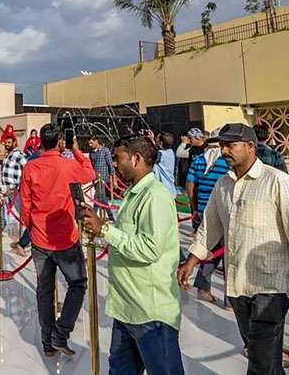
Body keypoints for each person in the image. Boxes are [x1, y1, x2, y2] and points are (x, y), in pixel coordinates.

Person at [178, 123, 289, 375]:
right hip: (238, 286)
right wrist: (191, 261)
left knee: (260, 358)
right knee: (261, 354)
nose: (224, 150)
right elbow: (210, 226)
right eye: (222, 145)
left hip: (272, 286)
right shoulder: (223, 184)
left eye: (230, 145)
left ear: (250, 146)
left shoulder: (277, 181)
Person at [81, 134, 183, 374]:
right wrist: (102, 229)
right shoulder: (134, 193)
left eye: (118, 158)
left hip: (150, 312)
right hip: (127, 307)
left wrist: (105, 229)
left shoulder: (155, 196)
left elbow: (149, 248)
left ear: (136, 159)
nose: (114, 164)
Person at [20, 123, 95, 357]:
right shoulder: (68, 165)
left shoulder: (31, 168)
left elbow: (25, 204)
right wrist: (76, 149)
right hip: (64, 238)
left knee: (44, 289)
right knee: (78, 284)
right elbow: (89, 172)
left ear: (40, 141)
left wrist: (30, 226)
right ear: (60, 142)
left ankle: (48, 342)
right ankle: (60, 332)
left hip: (40, 237)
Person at [184, 133, 230, 304]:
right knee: (228, 255)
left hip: (204, 211)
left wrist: (194, 208)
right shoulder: (226, 163)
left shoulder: (198, 161)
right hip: (222, 214)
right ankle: (230, 299)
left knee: (208, 250)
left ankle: (203, 287)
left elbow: (190, 185)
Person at [1, 135, 29, 257]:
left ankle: (25, 241)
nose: (6, 144)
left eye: (9, 142)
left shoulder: (19, 155)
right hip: (6, 190)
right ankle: (23, 239)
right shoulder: (8, 155)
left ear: (14, 142)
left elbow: (26, 170)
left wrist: (19, 187)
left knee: (24, 216)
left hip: (15, 190)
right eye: (5, 142)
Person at [87, 136, 114, 213]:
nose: (90, 145)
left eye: (91, 143)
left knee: (97, 196)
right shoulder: (91, 153)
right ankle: (110, 216)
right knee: (102, 197)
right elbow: (92, 166)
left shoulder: (105, 151)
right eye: (89, 143)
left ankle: (94, 214)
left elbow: (110, 165)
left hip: (103, 179)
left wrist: (113, 179)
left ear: (96, 141)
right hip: (95, 179)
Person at [152, 131, 178, 197]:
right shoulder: (170, 152)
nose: (155, 141)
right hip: (170, 190)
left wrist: (150, 141)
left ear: (161, 143)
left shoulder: (161, 154)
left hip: (164, 191)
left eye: (156, 139)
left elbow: (151, 155)